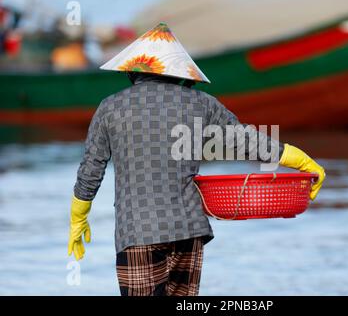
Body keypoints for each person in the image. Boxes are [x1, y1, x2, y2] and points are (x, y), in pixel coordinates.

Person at [68, 23, 325, 296]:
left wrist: (78, 217)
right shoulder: (202, 103)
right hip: (189, 231)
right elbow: (246, 141)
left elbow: (91, 169)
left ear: (131, 70)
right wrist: (299, 159)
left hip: (138, 232)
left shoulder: (110, 107)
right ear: (178, 71)